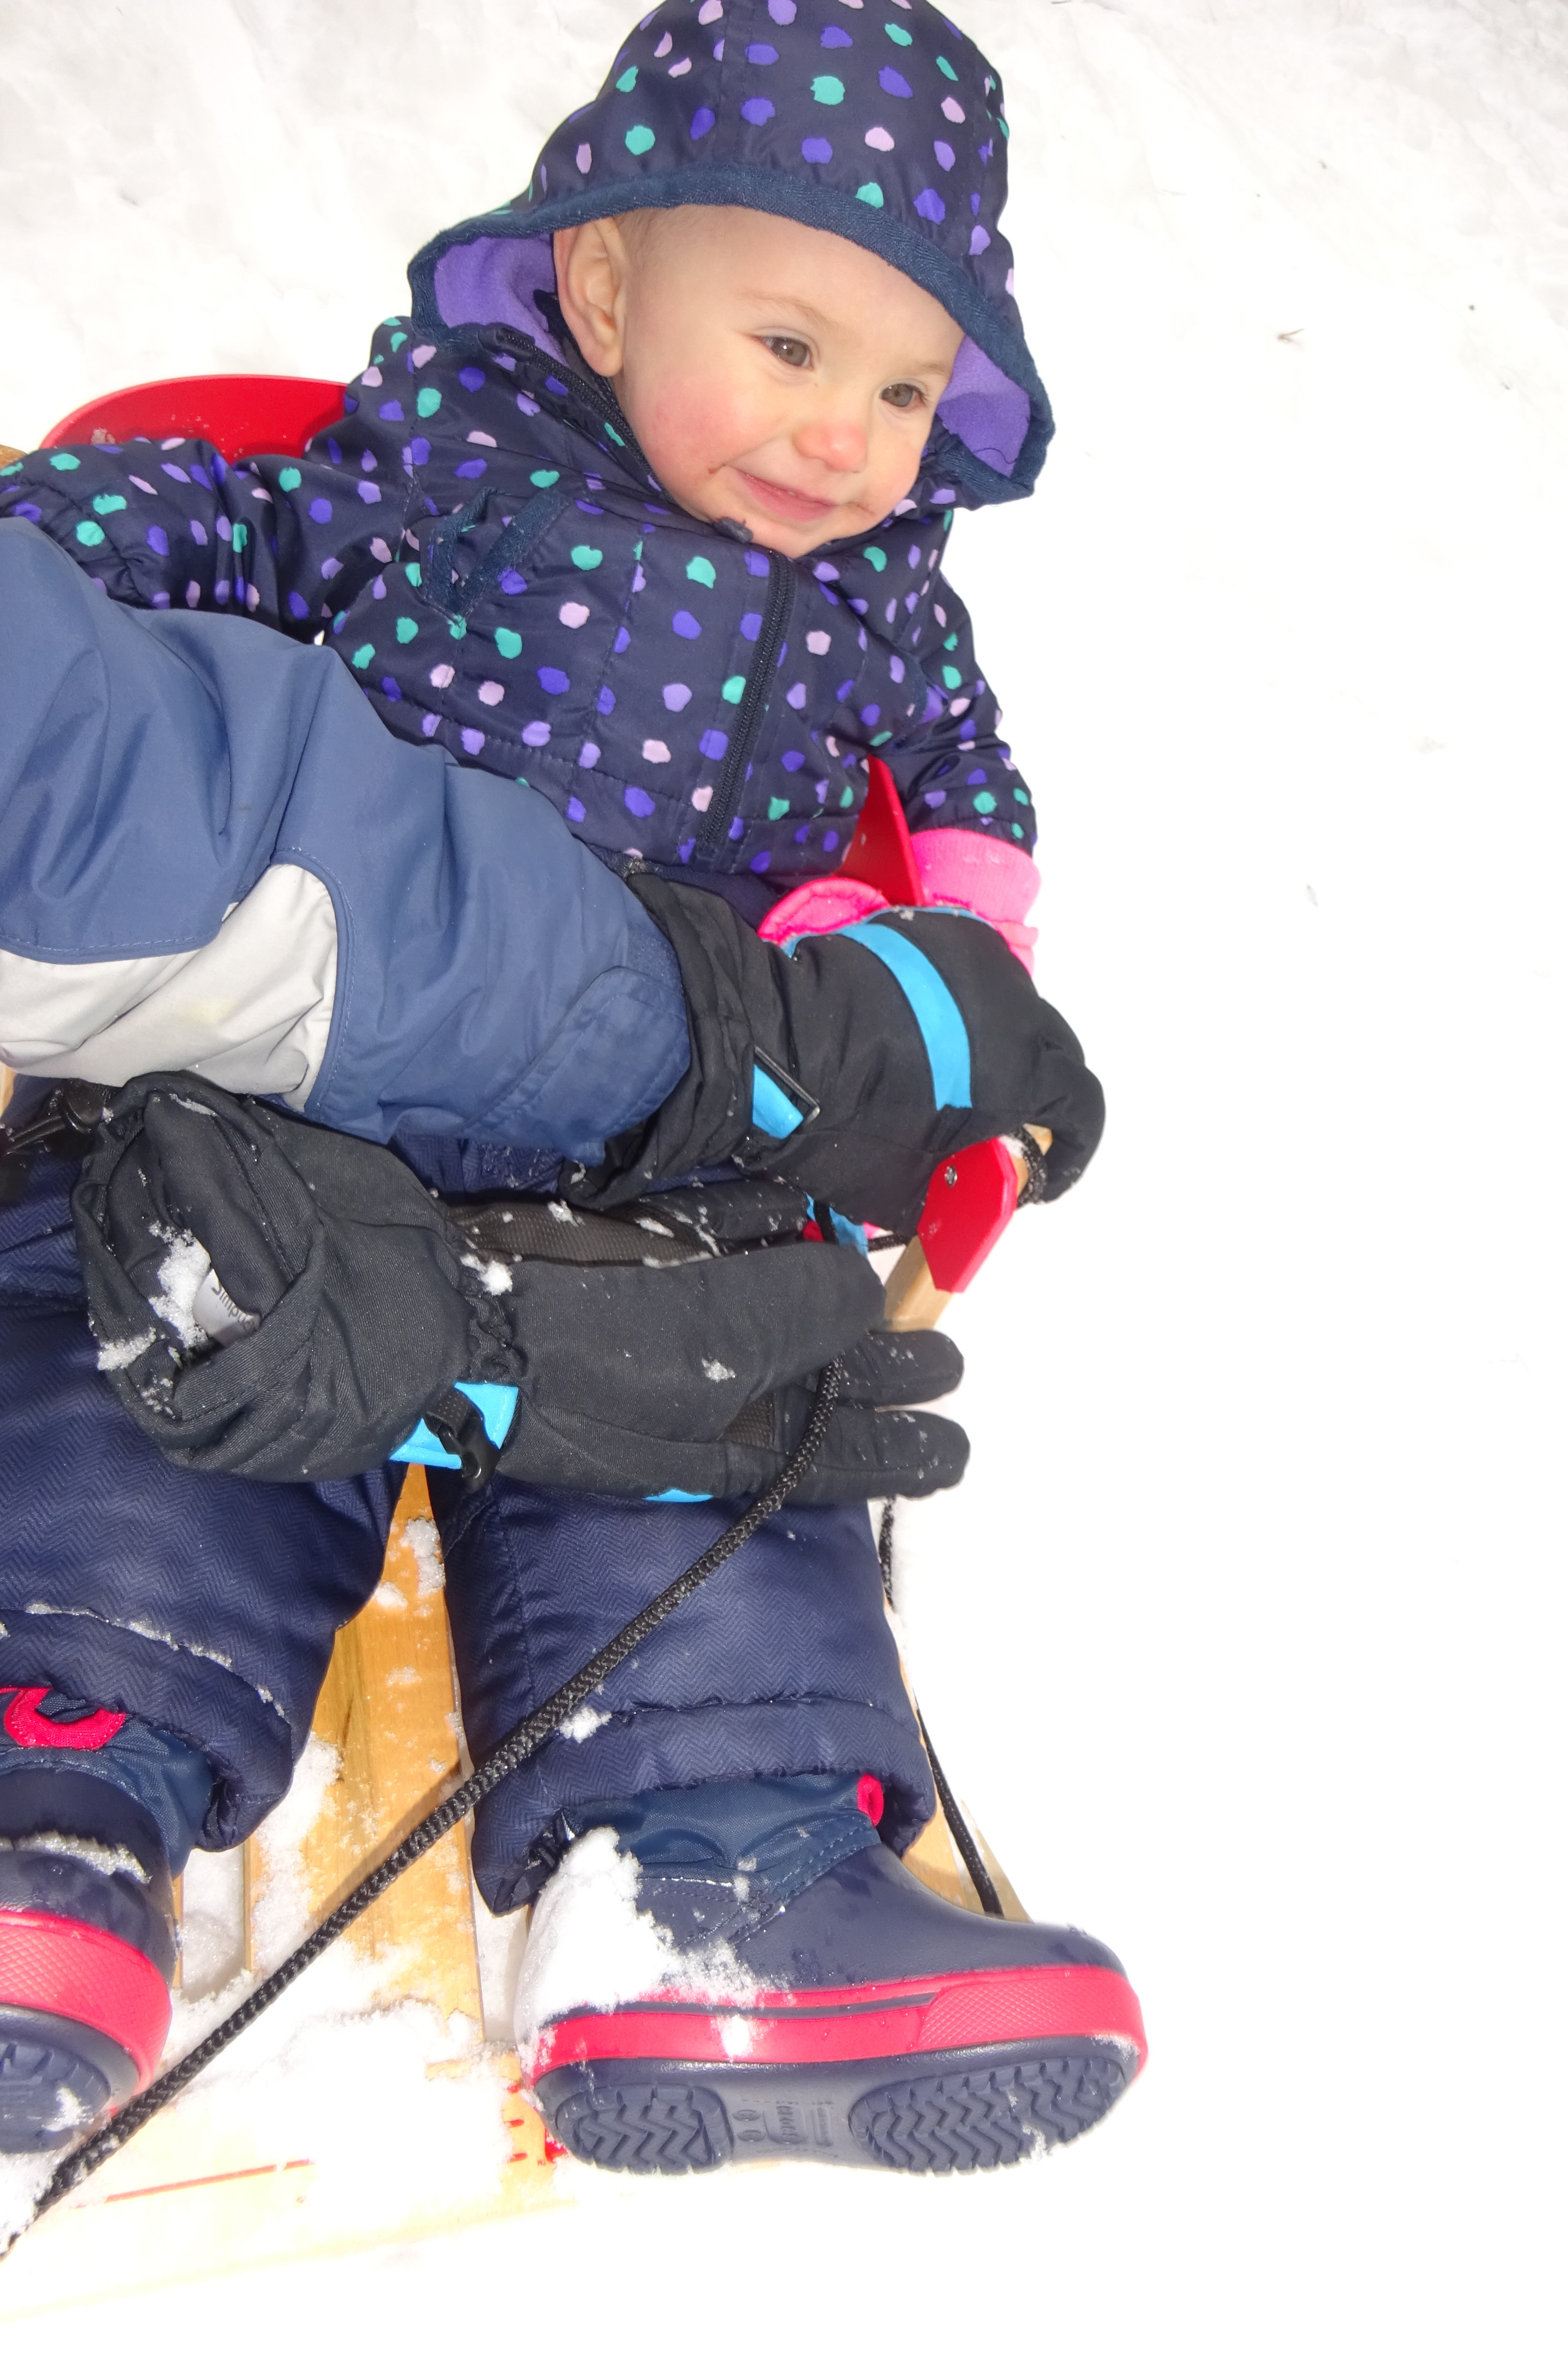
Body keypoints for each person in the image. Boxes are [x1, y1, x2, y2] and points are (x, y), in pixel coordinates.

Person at [0, 0, 1145, 2173]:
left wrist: (937, 965)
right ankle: (43, 1798)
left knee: (723, 1406)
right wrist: (54, 529)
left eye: (904, 389)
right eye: (788, 346)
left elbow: (962, 791)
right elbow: (203, 528)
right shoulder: (430, 470)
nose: (842, 436)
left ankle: (702, 1881)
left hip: (678, 1136)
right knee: (151, 1347)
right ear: (606, 289)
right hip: (306, 1088)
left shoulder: (889, 602)